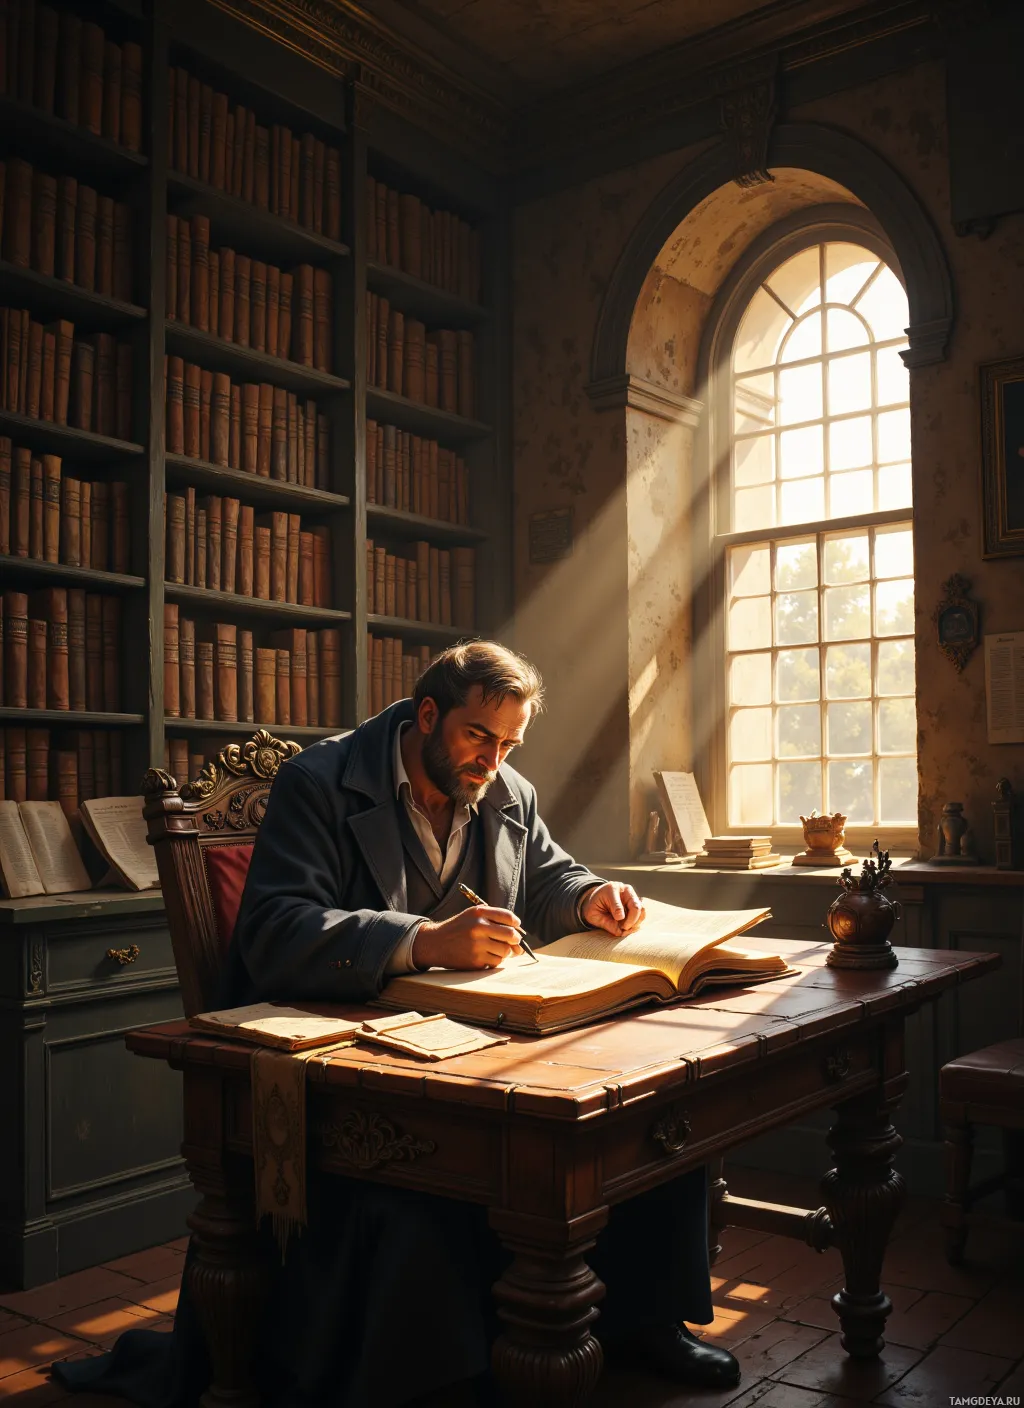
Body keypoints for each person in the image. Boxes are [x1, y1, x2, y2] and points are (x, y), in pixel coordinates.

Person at [56, 641, 739, 1408]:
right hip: (348, 1059)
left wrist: (589, 897)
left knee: (648, 1117)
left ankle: (643, 1325)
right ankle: (445, 1377)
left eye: (509, 744)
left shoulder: (506, 789)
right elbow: (275, 930)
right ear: (427, 714)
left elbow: (549, 878)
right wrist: (422, 942)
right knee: (444, 1186)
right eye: (479, 737)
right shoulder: (319, 782)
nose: (493, 760)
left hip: (472, 1041)